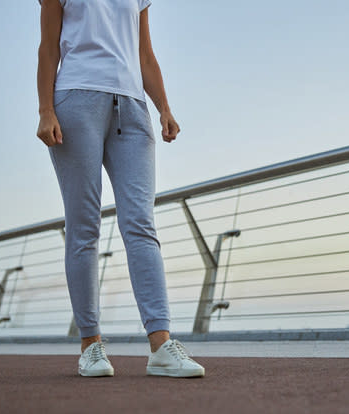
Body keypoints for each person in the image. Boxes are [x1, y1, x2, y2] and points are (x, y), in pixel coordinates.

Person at [36, 0, 204, 378]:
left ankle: (161, 345)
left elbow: (144, 53)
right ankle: (90, 346)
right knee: (83, 226)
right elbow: (48, 46)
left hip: (132, 106)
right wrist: (46, 110)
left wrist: (163, 107)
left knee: (140, 222)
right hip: (76, 100)